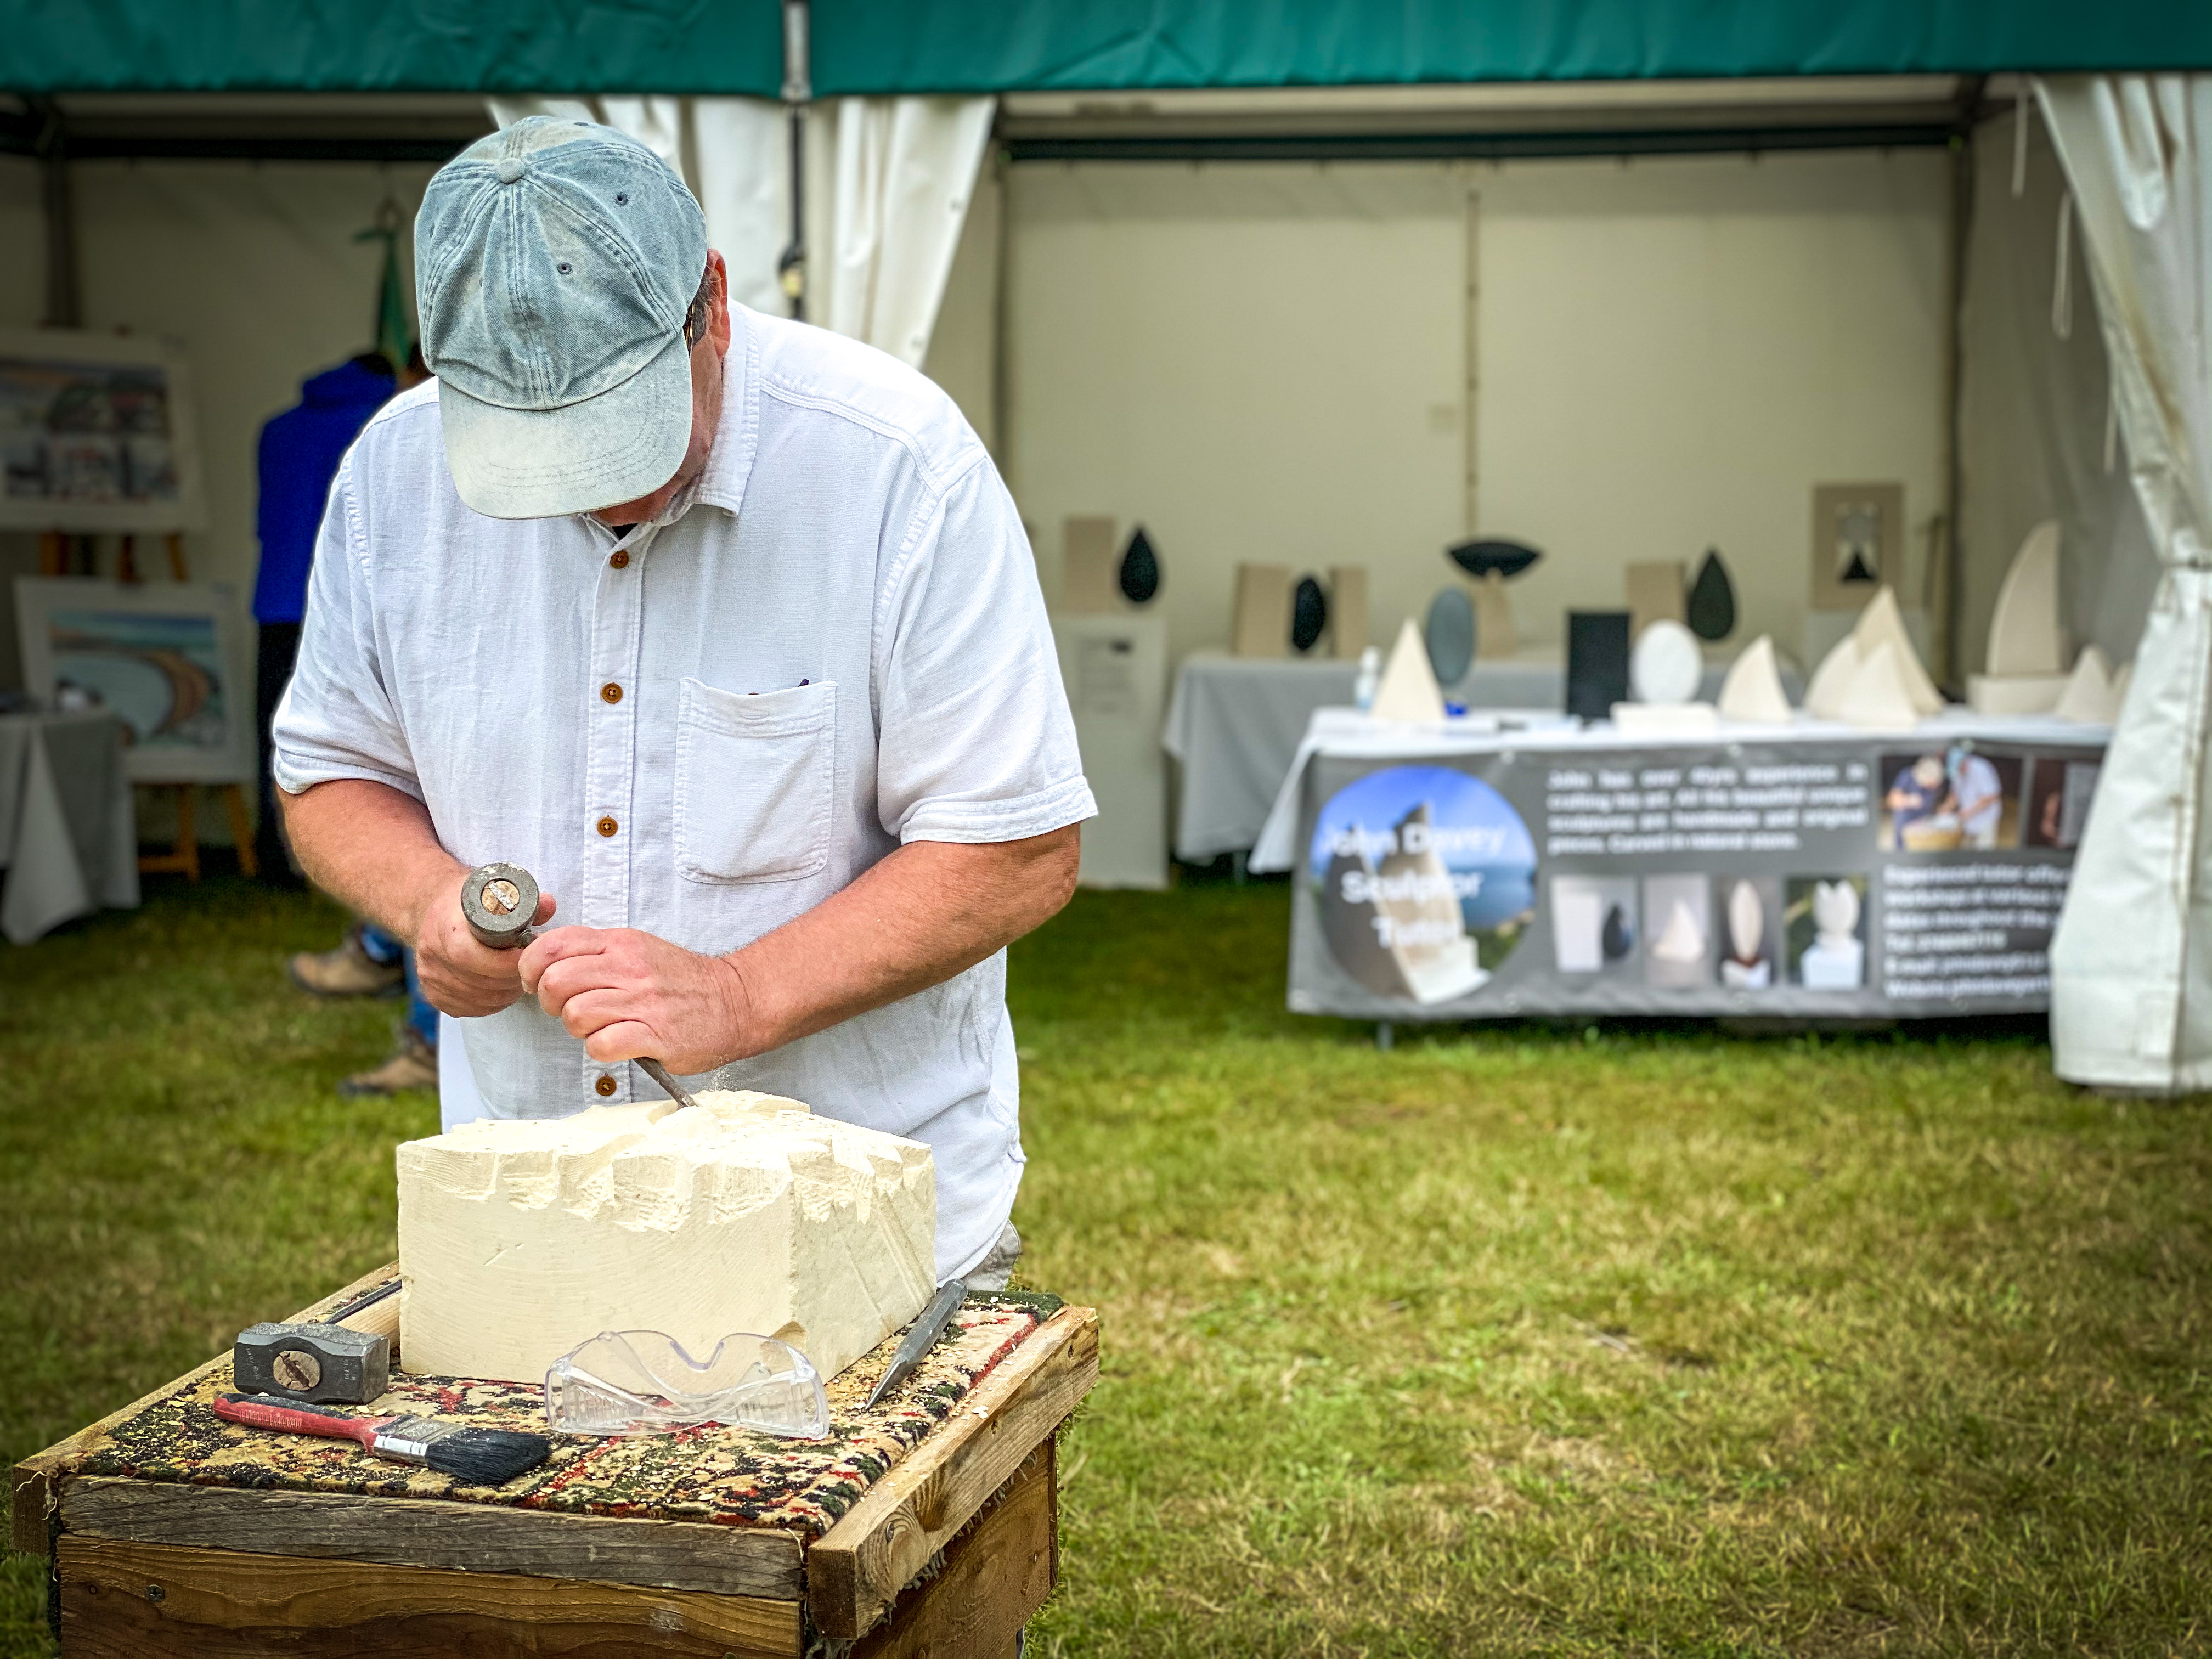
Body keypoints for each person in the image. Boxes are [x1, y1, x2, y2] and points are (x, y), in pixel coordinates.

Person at [272, 118, 1092, 1289]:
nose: (595, 493)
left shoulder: (895, 465)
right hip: (525, 1222)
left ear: (710, 301)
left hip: (851, 1241)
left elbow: (1017, 846)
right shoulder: (394, 478)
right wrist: (428, 905)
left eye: (623, 429)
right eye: (534, 453)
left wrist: (740, 993)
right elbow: (331, 770)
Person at [254, 352, 396, 883]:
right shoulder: (385, 422)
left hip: (275, 598)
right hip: (341, 604)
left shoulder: (277, 428)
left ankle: (273, 857)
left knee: (277, 738)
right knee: (357, 747)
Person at [1946, 740, 2005, 849]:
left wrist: (1968, 812)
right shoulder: (1957, 773)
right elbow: (1954, 795)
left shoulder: (1981, 768)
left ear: (1964, 763)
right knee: (1965, 852)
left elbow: (1992, 796)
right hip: (1968, 823)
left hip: (1986, 820)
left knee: (1983, 854)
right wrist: (1945, 810)